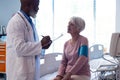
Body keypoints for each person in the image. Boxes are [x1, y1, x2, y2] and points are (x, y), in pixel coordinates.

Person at [6, 0, 52, 80]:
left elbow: (32, 46)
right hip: (19, 74)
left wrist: (43, 46)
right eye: (36, 6)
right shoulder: (15, 22)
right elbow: (19, 48)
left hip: (30, 71)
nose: (38, 8)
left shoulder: (29, 22)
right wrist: (40, 44)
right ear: (28, 5)